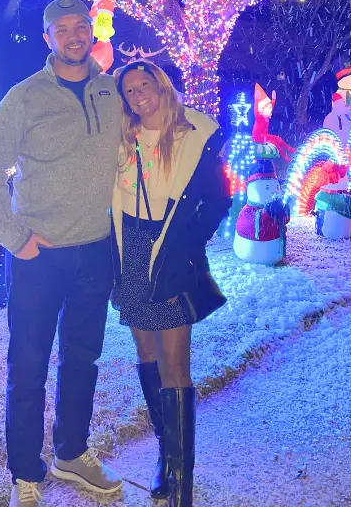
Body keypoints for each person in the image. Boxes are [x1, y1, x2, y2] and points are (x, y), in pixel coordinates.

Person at [0, 0, 125, 507]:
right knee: (29, 365)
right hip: (39, 257)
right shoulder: (25, 97)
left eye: (81, 27)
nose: (74, 37)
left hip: (95, 252)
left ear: (91, 30)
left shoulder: (110, 90)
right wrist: (16, 240)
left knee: (83, 359)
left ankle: (71, 453)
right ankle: (25, 473)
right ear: (48, 39)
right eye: (62, 30)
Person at [111, 60, 232, 507]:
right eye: (130, 90)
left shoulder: (192, 139)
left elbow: (221, 198)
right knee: (145, 351)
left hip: (170, 254)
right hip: (131, 253)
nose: (138, 94)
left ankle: (182, 480)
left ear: (161, 87)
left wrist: (189, 241)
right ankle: (166, 453)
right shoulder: (123, 139)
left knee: (174, 365)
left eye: (145, 84)